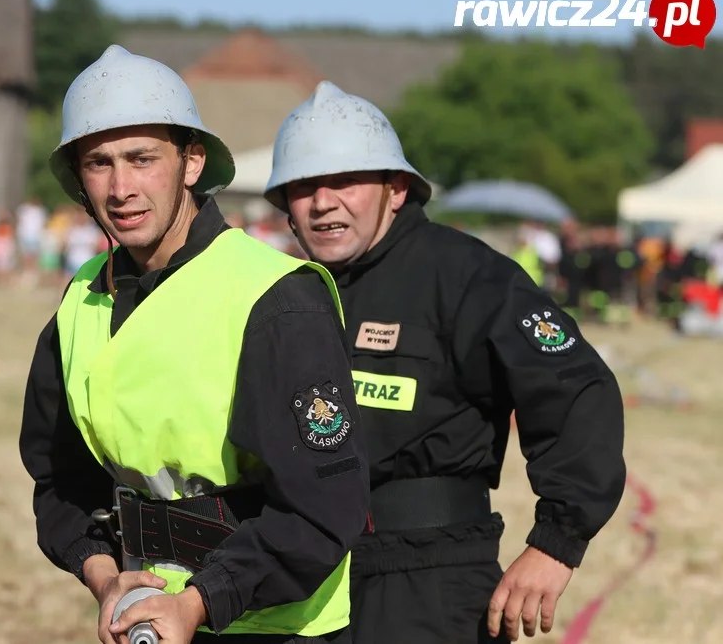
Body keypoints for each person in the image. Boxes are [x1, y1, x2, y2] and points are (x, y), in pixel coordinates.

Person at [18, 46, 369, 644]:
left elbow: (323, 506)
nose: (121, 187)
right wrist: (107, 580)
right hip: (146, 622)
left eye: (142, 158)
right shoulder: (81, 298)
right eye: (99, 163)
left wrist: (199, 604)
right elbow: (60, 480)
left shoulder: (277, 299)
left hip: (276, 626)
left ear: (191, 161)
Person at [264, 81, 626, 644]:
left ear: (397, 189)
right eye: (303, 186)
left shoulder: (469, 277)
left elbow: (577, 392)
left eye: (345, 181)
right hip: (300, 580)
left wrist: (558, 541)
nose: (322, 201)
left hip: (429, 582)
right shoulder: (282, 295)